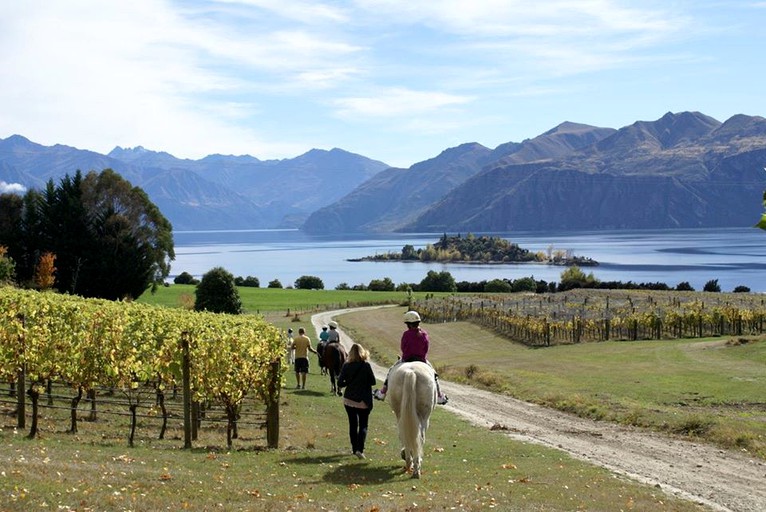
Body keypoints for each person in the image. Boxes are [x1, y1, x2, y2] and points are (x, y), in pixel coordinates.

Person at [373, 310, 449, 405]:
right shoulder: (424, 334)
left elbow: (403, 347)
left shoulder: (406, 334)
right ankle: (439, 396)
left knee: (391, 371)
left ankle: (382, 393)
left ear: (408, 324)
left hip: (406, 358)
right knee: (434, 375)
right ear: (418, 322)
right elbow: (426, 348)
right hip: (421, 359)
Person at [337, 343, 377, 459]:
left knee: (353, 424)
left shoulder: (346, 365)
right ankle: (360, 449)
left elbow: (340, 383)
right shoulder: (366, 366)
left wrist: (348, 383)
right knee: (363, 424)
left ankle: (354, 449)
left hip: (349, 399)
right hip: (363, 400)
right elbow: (373, 382)